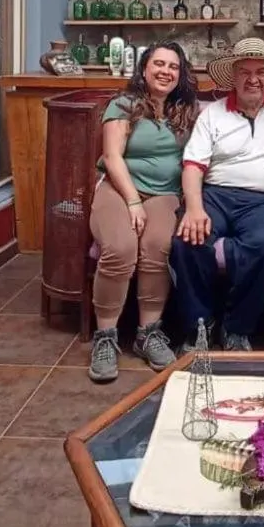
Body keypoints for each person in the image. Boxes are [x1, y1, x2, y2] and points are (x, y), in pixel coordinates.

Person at [169, 37, 264, 352]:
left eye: (260, 71)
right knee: (186, 240)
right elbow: (192, 165)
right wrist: (193, 208)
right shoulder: (212, 114)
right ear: (233, 76)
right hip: (215, 194)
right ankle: (200, 326)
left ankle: (237, 327)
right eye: (245, 72)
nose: (253, 79)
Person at [87, 41, 198, 383]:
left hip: (166, 194)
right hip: (120, 189)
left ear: (181, 75)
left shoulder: (187, 110)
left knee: (158, 248)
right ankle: (105, 337)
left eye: (173, 67)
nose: (165, 71)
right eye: (159, 64)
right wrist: (133, 200)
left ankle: (147, 332)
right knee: (120, 248)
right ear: (145, 68)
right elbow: (113, 156)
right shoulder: (124, 105)